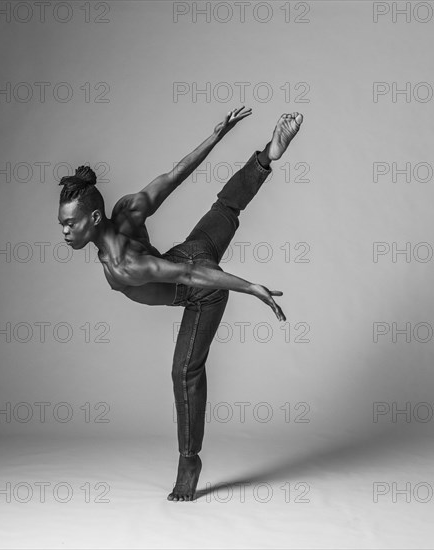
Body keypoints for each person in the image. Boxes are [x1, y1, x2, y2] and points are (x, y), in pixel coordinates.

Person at [57, 107, 303, 501]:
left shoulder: (123, 265)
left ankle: (189, 461)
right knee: (225, 207)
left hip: (199, 289)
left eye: (70, 224)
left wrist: (249, 287)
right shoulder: (126, 210)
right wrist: (216, 136)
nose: (65, 232)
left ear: (94, 217)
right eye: (62, 224)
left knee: (184, 371)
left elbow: (191, 277)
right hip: (189, 251)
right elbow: (175, 176)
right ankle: (266, 157)